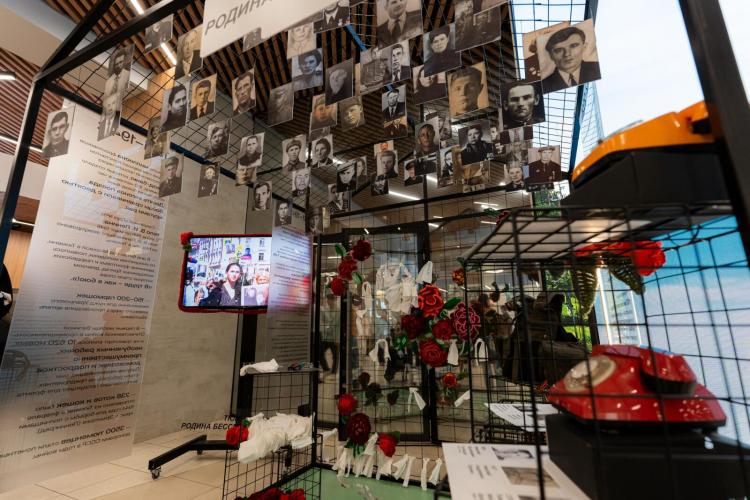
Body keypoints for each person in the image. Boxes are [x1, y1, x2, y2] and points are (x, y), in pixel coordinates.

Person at [541, 26, 601, 93]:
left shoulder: (597, 68)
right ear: (551, 55)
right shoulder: (543, 86)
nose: (567, 54)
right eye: (559, 50)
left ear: (584, 47)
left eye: (573, 46)